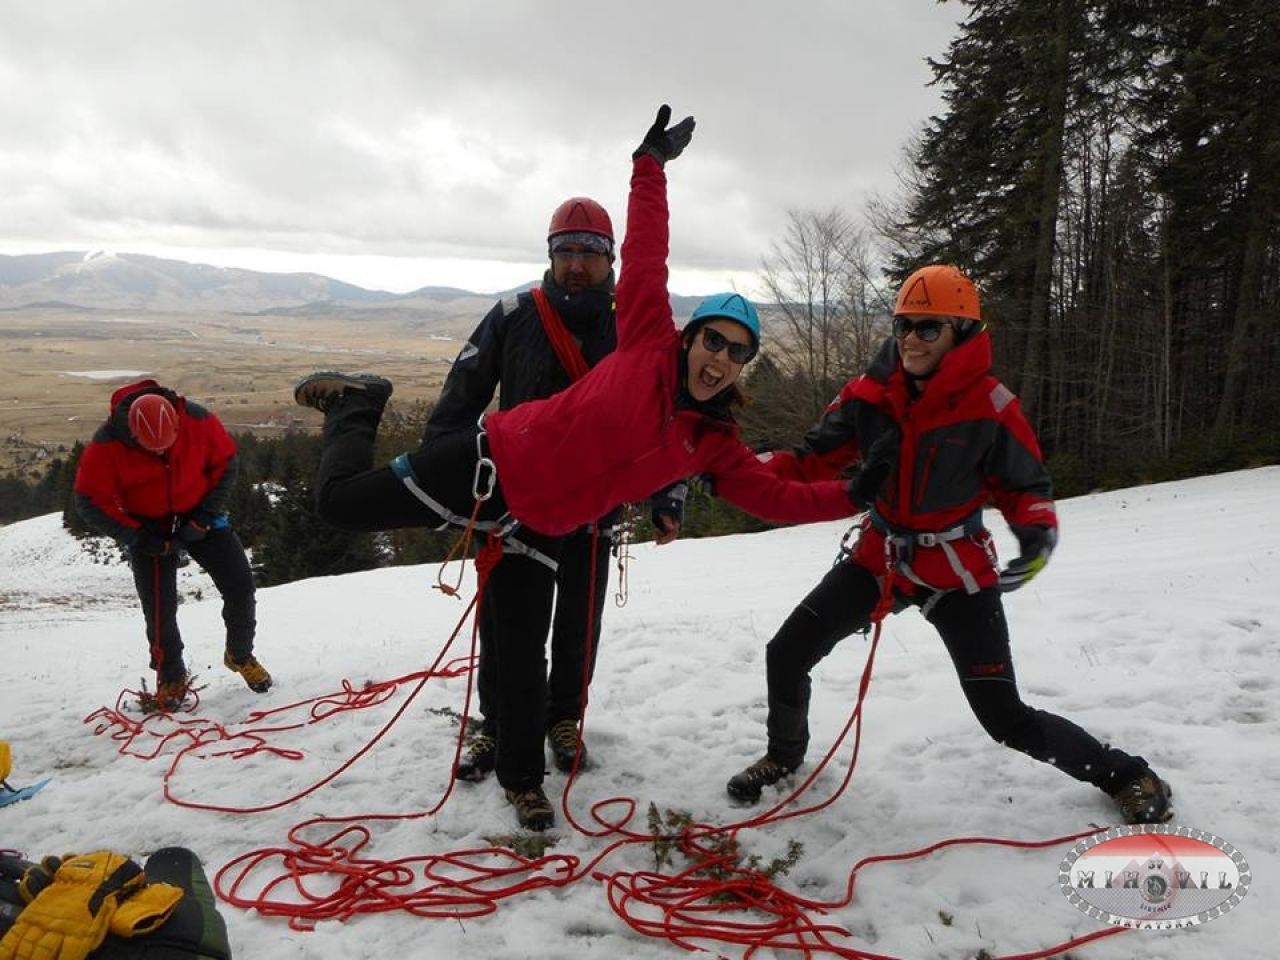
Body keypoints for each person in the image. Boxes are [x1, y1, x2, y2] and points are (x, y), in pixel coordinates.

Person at [292, 105, 860, 830]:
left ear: (745, 364)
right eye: (711, 339)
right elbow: (650, 252)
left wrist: (857, 496)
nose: (718, 356)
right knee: (338, 505)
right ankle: (360, 403)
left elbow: (774, 497)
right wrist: (648, 165)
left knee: (530, 647)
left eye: (736, 350)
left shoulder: (709, 444)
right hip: (484, 467)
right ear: (688, 338)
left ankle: (525, 782)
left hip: (540, 520)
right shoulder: (647, 338)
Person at [724, 264, 1174, 825]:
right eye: (902, 325)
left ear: (961, 332)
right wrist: (734, 469)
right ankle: (783, 758)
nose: (910, 338)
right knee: (786, 652)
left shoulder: (990, 404)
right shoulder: (868, 396)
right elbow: (808, 460)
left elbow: (1025, 484)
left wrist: (1035, 535)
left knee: (1004, 716)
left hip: (957, 573)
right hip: (880, 559)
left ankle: (1127, 774)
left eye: (927, 327)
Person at [421, 192, 686, 790]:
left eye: (589, 253)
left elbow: (662, 415)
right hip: (519, 499)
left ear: (611, 258)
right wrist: (447, 477)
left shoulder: (633, 326)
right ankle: (496, 720)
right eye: (565, 251)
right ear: (549, 253)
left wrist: (667, 495)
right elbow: (461, 397)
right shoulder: (515, 314)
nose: (575, 264)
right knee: (506, 620)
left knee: (578, 620)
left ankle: (564, 717)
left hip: (596, 501)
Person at [73, 380, 271, 709]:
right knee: (160, 612)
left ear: (177, 424)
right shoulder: (107, 442)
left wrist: (204, 516)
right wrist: (137, 536)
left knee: (240, 588)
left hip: (199, 513)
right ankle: (171, 676)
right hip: (149, 526)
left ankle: (239, 655)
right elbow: (88, 501)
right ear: (133, 433)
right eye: (152, 449)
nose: (161, 453)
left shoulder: (197, 419)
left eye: (167, 446)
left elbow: (226, 464)